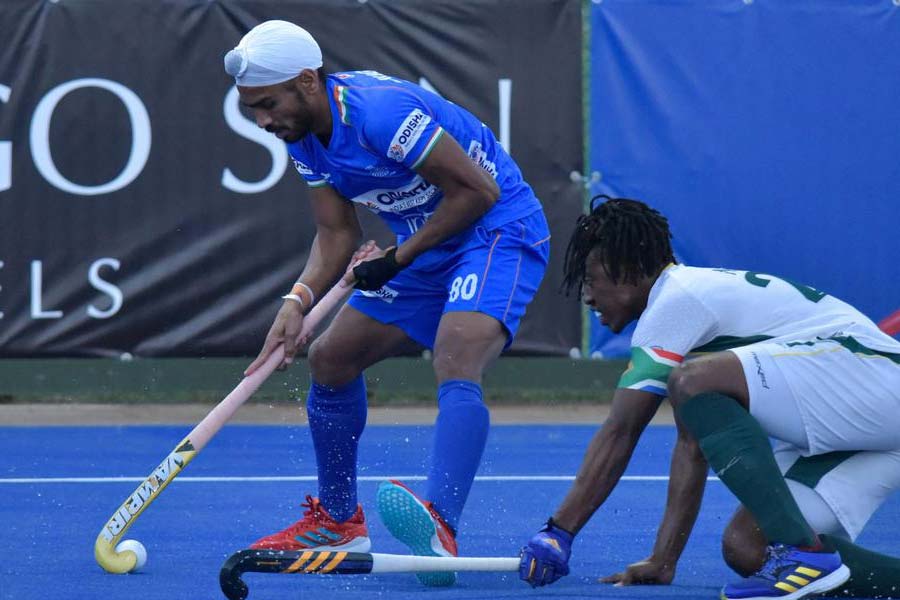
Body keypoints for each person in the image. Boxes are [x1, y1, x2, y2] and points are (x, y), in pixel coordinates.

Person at [223, 21, 550, 586]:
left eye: (266, 104)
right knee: (330, 359)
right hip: (424, 245)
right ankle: (336, 522)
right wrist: (297, 299)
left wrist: (398, 259)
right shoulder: (303, 139)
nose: (261, 121)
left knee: (455, 353)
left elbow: (478, 193)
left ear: (306, 81)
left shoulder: (378, 112)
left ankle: (440, 529)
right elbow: (335, 236)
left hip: (494, 231)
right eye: (251, 108)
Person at [519, 197, 900, 599]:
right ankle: (813, 555)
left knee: (690, 381)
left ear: (628, 272)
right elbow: (692, 445)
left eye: (591, 280)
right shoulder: (703, 349)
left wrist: (557, 532)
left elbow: (622, 430)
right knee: (748, 549)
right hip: (873, 423)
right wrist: (663, 560)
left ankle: (805, 553)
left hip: (876, 382)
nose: (588, 297)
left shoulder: (675, 301)